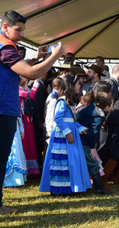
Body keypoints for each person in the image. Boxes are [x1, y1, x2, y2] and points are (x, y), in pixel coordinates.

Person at [0, 10, 63, 214]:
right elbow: (32, 74)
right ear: (5, 27)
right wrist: (55, 56)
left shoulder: (5, 46)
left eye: (23, 30)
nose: (21, 34)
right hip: (3, 110)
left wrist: (36, 57)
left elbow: (16, 69)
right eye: (18, 30)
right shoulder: (6, 47)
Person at [39, 78, 92, 195]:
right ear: (70, 87)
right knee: (64, 160)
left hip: (69, 132)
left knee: (71, 160)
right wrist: (68, 133)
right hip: (63, 135)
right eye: (78, 84)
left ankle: (71, 186)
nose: (79, 87)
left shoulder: (68, 101)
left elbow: (71, 120)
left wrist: (82, 129)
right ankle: (61, 189)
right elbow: (58, 118)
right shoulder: (62, 101)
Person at [76, 92, 113, 194]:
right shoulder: (99, 116)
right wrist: (92, 147)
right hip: (85, 140)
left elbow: (78, 116)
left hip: (79, 136)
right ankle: (99, 188)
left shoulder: (91, 107)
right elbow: (93, 132)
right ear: (106, 106)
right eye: (112, 105)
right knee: (92, 162)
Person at [19, 76, 41, 176]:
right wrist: (36, 83)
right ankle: (24, 168)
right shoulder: (16, 89)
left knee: (30, 140)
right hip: (22, 118)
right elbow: (30, 95)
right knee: (25, 141)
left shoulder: (25, 88)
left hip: (28, 118)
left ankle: (31, 168)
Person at [3, 118, 27, 187]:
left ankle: (15, 179)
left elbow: (18, 113)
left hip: (12, 124)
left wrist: (21, 128)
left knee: (14, 150)